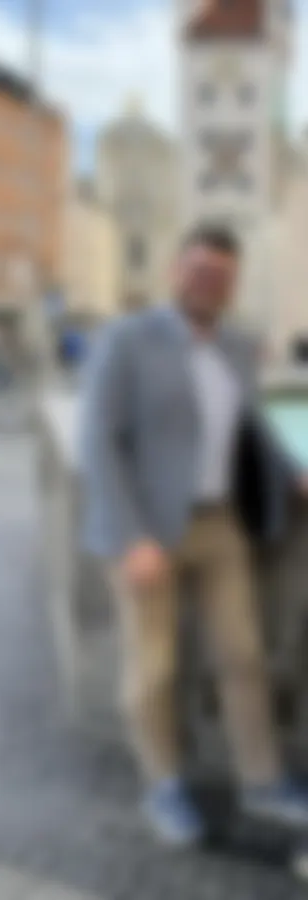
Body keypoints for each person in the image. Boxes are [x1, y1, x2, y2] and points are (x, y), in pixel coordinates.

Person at [78, 223, 308, 848]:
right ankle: (165, 786)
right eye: (200, 270)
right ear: (177, 270)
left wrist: (293, 472)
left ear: (231, 284)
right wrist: (131, 537)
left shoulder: (236, 345)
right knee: (154, 667)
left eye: (222, 275)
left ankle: (262, 780)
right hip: (146, 530)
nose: (210, 282)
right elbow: (98, 440)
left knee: (244, 656)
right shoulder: (128, 338)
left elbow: (249, 427)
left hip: (219, 522)